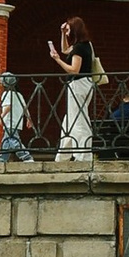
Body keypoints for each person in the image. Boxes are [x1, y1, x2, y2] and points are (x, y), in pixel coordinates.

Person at [50, 15, 101, 163]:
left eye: (68, 31)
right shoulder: (86, 45)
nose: (67, 33)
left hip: (78, 84)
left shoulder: (79, 47)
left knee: (78, 120)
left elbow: (74, 70)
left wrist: (57, 60)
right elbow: (65, 49)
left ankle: (83, 156)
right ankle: (63, 157)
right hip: (85, 84)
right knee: (70, 120)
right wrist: (61, 33)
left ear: (75, 30)